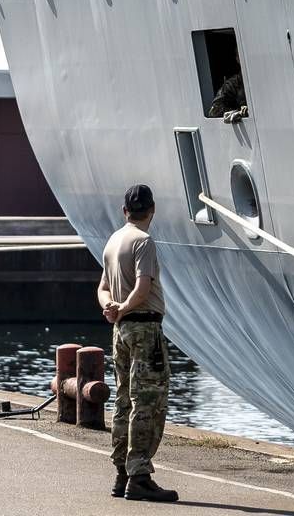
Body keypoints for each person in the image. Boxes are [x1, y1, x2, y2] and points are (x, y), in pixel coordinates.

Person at [98, 184, 178, 503]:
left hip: (121, 331)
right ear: (152, 210)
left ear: (124, 211)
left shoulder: (114, 240)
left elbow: (103, 287)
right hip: (145, 328)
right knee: (148, 400)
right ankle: (140, 475)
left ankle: (122, 472)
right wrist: (127, 306)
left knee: (123, 399)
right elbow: (143, 289)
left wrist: (112, 307)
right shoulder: (143, 242)